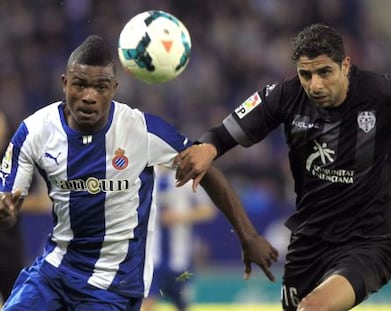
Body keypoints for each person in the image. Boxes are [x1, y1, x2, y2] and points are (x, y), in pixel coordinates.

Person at [0, 35, 278, 310]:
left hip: (113, 286)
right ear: (64, 83)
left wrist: (248, 236)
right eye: (80, 84)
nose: (89, 97)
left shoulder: (141, 130)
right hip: (53, 273)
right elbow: (8, 207)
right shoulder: (34, 131)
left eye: (100, 87)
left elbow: (206, 169)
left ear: (114, 88)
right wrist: (6, 213)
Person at [174, 23, 391, 311]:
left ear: (345, 65)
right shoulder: (285, 95)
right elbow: (223, 134)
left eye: (324, 72)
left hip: (368, 242)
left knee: (314, 308)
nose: (315, 85)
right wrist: (207, 148)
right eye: (305, 74)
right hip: (308, 243)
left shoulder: (383, 93)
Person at [141, 166, 216, 311]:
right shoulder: (144, 173)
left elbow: (208, 210)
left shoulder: (186, 176)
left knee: (183, 305)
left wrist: (179, 217)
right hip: (151, 259)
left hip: (181, 259)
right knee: (147, 303)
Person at [0, 111, 51, 306]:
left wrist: (11, 203)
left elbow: (43, 202)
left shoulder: (19, 161)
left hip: (10, 245)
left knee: (14, 301)